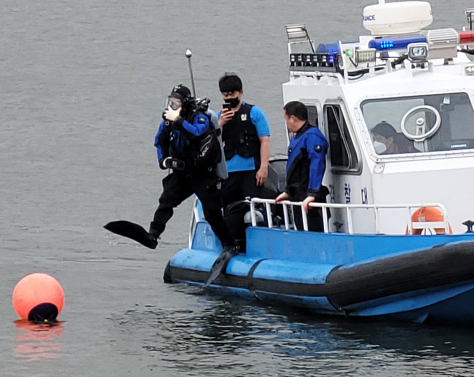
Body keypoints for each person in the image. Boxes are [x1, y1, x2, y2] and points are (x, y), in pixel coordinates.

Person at [108, 84, 236, 253]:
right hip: (182, 173)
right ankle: (153, 234)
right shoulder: (167, 123)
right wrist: (163, 160)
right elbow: (159, 141)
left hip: (203, 173)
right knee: (166, 201)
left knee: (211, 213)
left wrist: (179, 121)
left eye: (176, 102)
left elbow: (197, 132)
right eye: (171, 102)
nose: (172, 106)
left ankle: (229, 244)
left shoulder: (199, 117)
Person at [274, 101, 329, 232]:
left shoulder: (312, 136)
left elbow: (317, 163)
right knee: (301, 228)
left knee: (313, 229)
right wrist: (288, 191)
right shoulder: (296, 137)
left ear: (292, 118)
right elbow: (294, 166)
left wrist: (312, 193)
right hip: (297, 194)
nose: (286, 123)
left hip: (307, 195)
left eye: (286, 119)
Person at [217, 73, 271, 207]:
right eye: (225, 95)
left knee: (254, 208)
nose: (229, 97)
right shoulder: (218, 116)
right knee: (230, 208)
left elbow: (264, 140)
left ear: (240, 92)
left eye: (232, 93)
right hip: (228, 172)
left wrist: (263, 167)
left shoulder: (255, 112)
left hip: (251, 170)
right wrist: (220, 123)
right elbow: (213, 143)